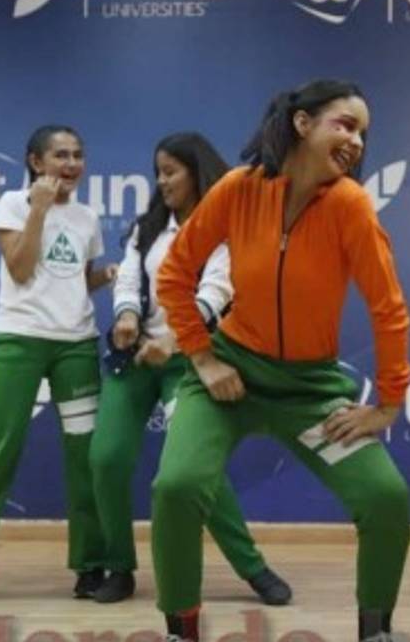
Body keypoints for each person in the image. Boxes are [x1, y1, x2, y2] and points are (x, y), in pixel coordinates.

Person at [146, 79, 410, 642]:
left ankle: (376, 636)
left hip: (310, 390)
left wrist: (388, 404)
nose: (356, 141)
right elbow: (174, 276)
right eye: (344, 124)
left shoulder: (351, 206)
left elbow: (388, 309)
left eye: (363, 132)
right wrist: (203, 359)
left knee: (386, 497)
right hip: (230, 379)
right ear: (302, 123)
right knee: (177, 486)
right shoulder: (238, 189)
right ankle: (179, 641)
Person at [88, 132, 292, 605]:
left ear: (197, 172)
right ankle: (118, 567)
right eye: (158, 173)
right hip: (137, 357)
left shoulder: (226, 226)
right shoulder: (148, 227)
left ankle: (252, 567)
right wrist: (126, 316)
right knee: (106, 458)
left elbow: (216, 293)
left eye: (170, 172)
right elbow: (129, 277)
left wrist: (172, 341)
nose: (162, 182)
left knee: (193, 469)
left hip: (191, 359)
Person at [0, 125, 117, 605]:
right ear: (36, 162)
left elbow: (74, 279)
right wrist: (39, 209)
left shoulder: (88, 217)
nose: (72, 164)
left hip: (76, 347)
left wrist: (108, 275)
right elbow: (20, 268)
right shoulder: (14, 204)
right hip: (19, 342)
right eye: (61, 155)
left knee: (86, 461)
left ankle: (90, 565)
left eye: (78, 155)